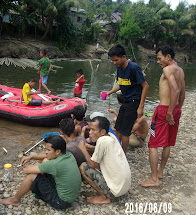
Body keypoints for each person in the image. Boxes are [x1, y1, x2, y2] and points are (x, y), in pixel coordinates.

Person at [139, 45, 185, 187]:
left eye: (159, 58)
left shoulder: (167, 69)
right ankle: (160, 171)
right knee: (167, 142)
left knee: (153, 144)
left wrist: (169, 111)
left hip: (165, 110)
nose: (158, 61)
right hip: (175, 108)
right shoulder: (180, 70)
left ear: (168, 57)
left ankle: (154, 179)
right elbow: (182, 93)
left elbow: (176, 91)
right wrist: (177, 109)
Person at [0, 136, 81, 210]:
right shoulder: (68, 155)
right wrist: (32, 157)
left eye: (48, 150)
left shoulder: (55, 164)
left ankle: (15, 200)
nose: (46, 152)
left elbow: (26, 170)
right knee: (45, 161)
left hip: (61, 202)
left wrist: (38, 166)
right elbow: (46, 157)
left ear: (58, 151)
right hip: (71, 197)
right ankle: (34, 188)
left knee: (32, 176)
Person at [101, 44, 149, 154]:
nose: (114, 63)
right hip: (126, 100)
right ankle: (116, 151)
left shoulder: (133, 68)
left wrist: (140, 107)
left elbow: (145, 86)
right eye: (112, 61)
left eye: (116, 60)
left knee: (125, 132)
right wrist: (110, 92)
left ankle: (123, 154)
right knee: (118, 128)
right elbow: (120, 84)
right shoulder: (119, 68)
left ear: (124, 57)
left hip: (134, 102)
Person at [78, 116, 131, 204]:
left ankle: (103, 196)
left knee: (83, 166)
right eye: (89, 130)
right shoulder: (111, 136)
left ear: (102, 132)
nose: (90, 133)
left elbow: (92, 165)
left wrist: (83, 149)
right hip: (124, 187)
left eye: (93, 130)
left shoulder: (102, 141)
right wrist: (93, 148)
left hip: (114, 192)